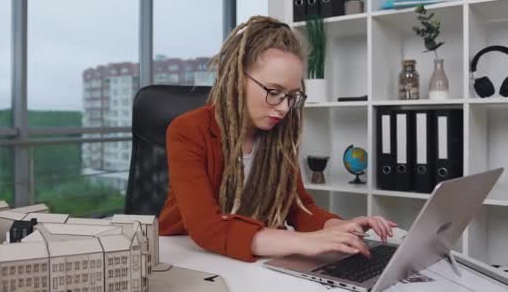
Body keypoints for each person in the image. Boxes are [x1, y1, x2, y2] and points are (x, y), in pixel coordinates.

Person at [158, 15, 396, 262]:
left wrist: (338, 227)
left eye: (292, 96)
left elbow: (298, 208)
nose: (284, 108)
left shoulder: (280, 135)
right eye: (274, 92)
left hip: (249, 259)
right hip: (185, 254)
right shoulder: (188, 130)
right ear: (237, 79)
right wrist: (305, 242)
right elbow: (206, 227)